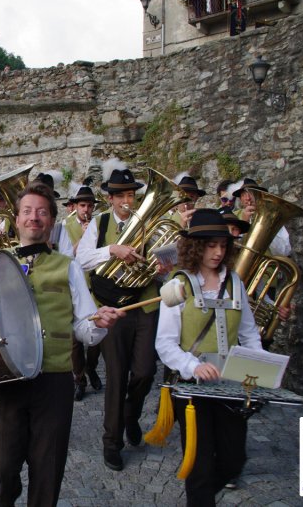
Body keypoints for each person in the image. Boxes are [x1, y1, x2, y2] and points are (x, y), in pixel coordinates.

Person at [0, 182, 124, 506]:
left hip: (54, 380)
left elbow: (83, 325)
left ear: (51, 221)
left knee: (47, 469)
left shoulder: (69, 268)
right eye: (27, 211)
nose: (34, 217)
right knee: (1, 463)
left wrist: (101, 325)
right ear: (17, 218)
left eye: (41, 212)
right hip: (7, 376)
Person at [154, 208, 264, 506]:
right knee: (200, 465)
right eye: (211, 245)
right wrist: (194, 366)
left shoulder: (235, 282)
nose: (218, 252)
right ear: (196, 246)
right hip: (192, 389)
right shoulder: (176, 285)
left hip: (229, 386)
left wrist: (262, 368)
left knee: (233, 459)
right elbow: (164, 344)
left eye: (223, 245)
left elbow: (250, 334)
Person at [76, 168, 172, 471]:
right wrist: (113, 250)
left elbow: (168, 264)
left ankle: (131, 414)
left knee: (144, 371)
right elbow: (81, 259)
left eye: (131, 195)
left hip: (144, 305)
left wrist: (162, 268)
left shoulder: (151, 224)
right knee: (116, 378)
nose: (127, 201)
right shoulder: (100, 223)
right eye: (121, 196)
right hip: (112, 310)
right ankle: (111, 442)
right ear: (111, 198)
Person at [57, 186, 102, 401]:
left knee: (96, 340)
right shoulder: (65, 227)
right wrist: (82, 240)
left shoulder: (98, 225)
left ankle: (91, 368)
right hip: (75, 287)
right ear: (75, 207)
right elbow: (65, 258)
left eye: (90, 206)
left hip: (95, 288)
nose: (86, 210)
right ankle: (80, 379)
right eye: (83, 205)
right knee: (75, 341)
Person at [232, 178, 291, 257]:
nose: (248, 198)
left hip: (267, 267)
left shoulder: (272, 216)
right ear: (240, 199)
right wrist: (243, 225)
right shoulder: (233, 217)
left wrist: (267, 226)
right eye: (243, 195)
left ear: (260, 196)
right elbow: (231, 248)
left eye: (252, 193)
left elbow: (284, 252)